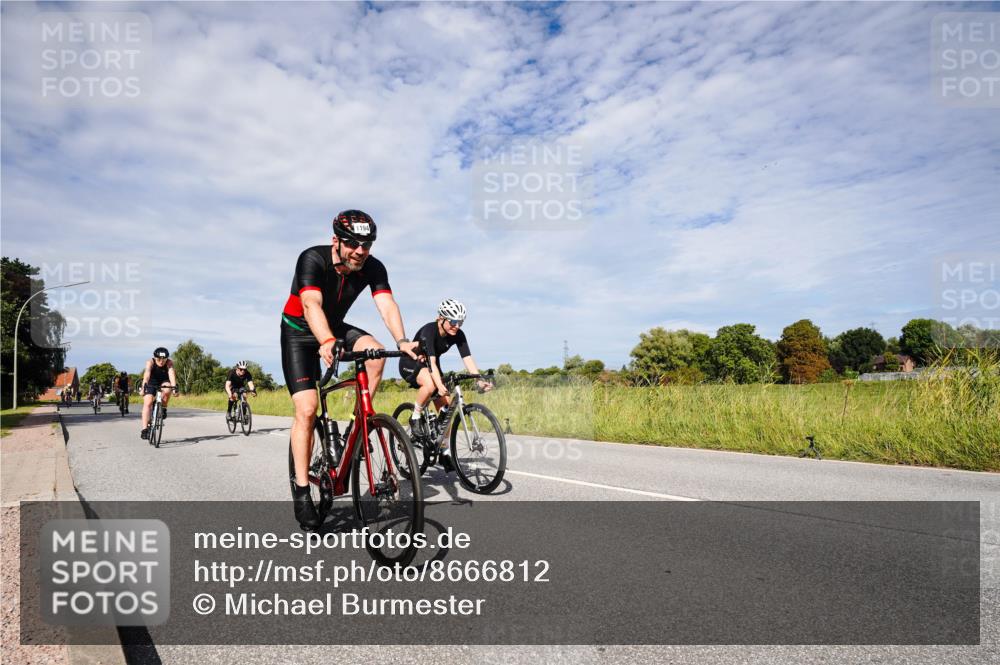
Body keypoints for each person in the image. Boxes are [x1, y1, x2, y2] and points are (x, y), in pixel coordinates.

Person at [280, 209, 419, 530]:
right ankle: (302, 490)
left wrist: (402, 340)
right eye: (353, 243)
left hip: (334, 326)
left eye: (366, 244)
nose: (360, 251)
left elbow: (386, 303)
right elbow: (311, 304)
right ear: (336, 241)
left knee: (376, 355)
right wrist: (326, 341)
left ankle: (356, 429)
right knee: (307, 409)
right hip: (299, 331)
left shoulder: (373, 266)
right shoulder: (312, 259)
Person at [398, 298, 492, 469]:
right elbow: (432, 363)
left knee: (446, 410)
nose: (457, 325)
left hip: (430, 364)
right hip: (411, 363)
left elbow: (468, 359)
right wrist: (439, 385)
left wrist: (478, 379)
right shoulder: (430, 330)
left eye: (461, 322)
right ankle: (415, 416)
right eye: (454, 321)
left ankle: (444, 449)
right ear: (441, 318)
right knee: (433, 385)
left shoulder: (458, 334)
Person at [140, 347, 178, 439]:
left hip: (164, 381)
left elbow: (171, 375)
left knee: (168, 389)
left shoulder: (169, 363)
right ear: (155, 357)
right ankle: (145, 429)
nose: (161, 361)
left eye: (163, 359)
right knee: (148, 403)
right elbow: (147, 374)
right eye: (159, 359)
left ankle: (163, 407)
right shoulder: (150, 362)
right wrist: (143, 387)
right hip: (152, 381)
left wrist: (174, 388)